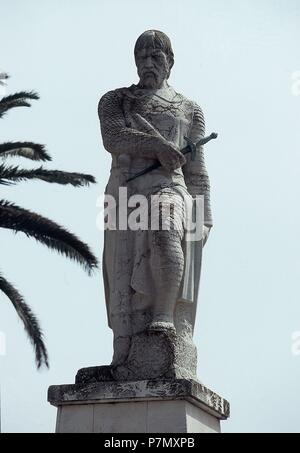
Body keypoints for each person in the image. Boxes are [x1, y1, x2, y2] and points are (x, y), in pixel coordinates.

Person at [98, 30, 212, 367]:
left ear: (170, 62)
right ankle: (125, 347)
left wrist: (204, 217)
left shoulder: (190, 110)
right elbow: (114, 137)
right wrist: (157, 147)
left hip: (169, 187)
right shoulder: (115, 100)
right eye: (142, 57)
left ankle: (163, 320)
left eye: (155, 56)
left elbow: (197, 171)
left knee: (165, 233)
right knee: (120, 275)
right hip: (124, 193)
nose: (148, 63)